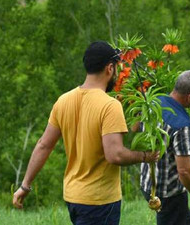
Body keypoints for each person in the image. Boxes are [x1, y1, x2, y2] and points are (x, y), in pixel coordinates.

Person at [12, 41, 160, 225]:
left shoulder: (63, 101)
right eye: (116, 67)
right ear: (109, 68)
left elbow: (44, 145)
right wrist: (146, 156)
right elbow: (115, 155)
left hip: (73, 196)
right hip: (99, 200)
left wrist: (25, 186)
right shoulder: (109, 105)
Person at [140, 70, 190, 225]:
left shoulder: (154, 100)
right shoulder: (181, 124)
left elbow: (136, 125)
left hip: (147, 182)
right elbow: (184, 170)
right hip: (168, 193)